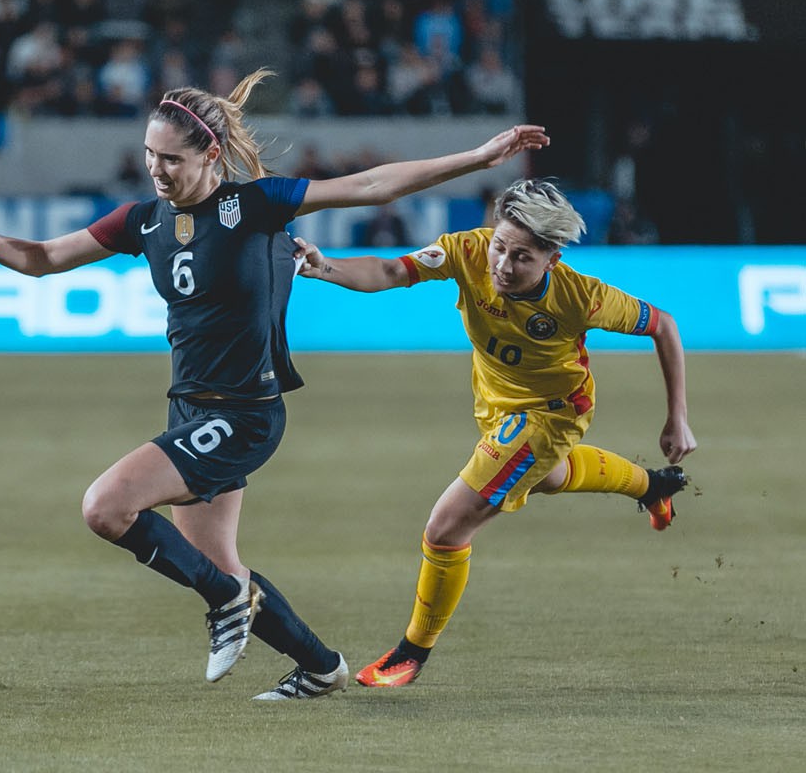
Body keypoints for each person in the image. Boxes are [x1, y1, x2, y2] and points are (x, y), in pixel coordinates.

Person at [0, 69, 548, 700]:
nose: (156, 169)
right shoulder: (142, 221)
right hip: (190, 410)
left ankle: (226, 601)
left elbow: (370, 185)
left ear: (210, 155)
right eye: (149, 155)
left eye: (171, 158)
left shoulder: (254, 205)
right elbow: (41, 259)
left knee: (106, 507)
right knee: (220, 565)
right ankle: (320, 665)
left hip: (244, 414)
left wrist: (478, 157)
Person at [292, 178, 695, 688]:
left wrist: (676, 417)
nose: (503, 265)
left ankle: (412, 652)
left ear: (551, 257)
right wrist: (323, 267)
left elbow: (664, 326)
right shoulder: (468, 250)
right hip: (496, 403)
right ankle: (653, 486)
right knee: (548, 479)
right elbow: (393, 270)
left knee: (445, 528)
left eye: (522, 257)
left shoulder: (581, 297)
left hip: (549, 414)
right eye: (500, 246)